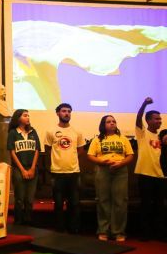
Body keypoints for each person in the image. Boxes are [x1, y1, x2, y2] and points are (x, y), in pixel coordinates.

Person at [87, 115, 134, 241]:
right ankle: (104, 231)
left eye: (114, 121)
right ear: (103, 124)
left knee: (120, 201)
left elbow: (130, 155)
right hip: (103, 170)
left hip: (120, 171)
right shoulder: (97, 139)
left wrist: (121, 163)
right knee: (103, 200)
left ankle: (118, 232)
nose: (112, 123)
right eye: (108, 122)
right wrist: (102, 161)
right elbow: (90, 155)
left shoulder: (123, 138)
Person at [44, 103, 85, 234]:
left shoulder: (77, 131)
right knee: (58, 204)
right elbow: (47, 149)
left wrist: (70, 157)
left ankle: (74, 229)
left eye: (69, 111)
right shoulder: (50, 131)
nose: (67, 113)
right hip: (57, 173)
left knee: (74, 203)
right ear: (58, 113)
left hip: (73, 172)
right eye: (64, 111)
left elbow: (80, 150)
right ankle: (59, 230)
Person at [134, 97, 166, 241]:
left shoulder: (162, 136)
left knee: (160, 206)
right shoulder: (142, 133)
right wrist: (144, 104)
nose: (159, 121)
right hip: (145, 174)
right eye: (156, 119)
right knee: (146, 205)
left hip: (160, 175)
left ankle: (159, 232)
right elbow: (138, 117)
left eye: (160, 119)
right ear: (148, 121)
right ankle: (145, 233)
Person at [7, 109, 40, 225]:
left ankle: (28, 220)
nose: (28, 117)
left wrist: (32, 168)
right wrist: (22, 170)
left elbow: (37, 150)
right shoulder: (13, 133)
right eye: (25, 115)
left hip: (32, 167)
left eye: (28, 115)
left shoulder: (33, 131)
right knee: (20, 198)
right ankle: (18, 221)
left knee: (30, 198)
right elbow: (12, 152)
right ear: (18, 118)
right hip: (18, 168)